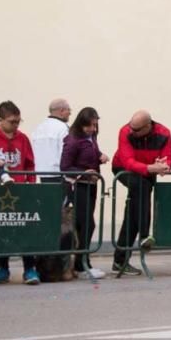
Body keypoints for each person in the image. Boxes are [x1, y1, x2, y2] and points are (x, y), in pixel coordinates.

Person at [111, 110, 171, 276]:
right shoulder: (125, 131)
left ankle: (120, 260)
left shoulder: (164, 133)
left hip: (147, 173)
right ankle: (145, 234)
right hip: (123, 169)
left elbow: (168, 159)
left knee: (132, 213)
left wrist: (163, 165)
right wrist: (151, 168)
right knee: (142, 188)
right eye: (131, 127)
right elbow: (128, 162)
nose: (132, 131)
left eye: (136, 129)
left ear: (148, 126)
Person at [0, 101, 40, 285]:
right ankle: (3, 268)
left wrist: (30, 183)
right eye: (12, 121)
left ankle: (29, 269)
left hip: (21, 190)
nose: (16, 125)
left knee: (26, 230)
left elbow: (30, 163)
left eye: (18, 121)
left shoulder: (23, 138)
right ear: (0, 120)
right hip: (0, 192)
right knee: (2, 229)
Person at [61, 107, 110, 278]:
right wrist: (84, 173)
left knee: (84, 226)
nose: (93, 129)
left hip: (91, 185)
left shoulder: (91, 137)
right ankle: (81, 265)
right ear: (81, 124)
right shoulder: (73, 140)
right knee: (88, 224)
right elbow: (65, 167)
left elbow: (88, 157)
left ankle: (84, 262)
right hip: (78, 186)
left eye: (95, 125)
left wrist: (100, 157)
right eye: (89, 126)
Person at [31, 98, 71, 183]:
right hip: (58, 174)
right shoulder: (63, 128)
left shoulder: (39, 128)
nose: (70, 113)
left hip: (40, 174)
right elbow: (65, 153)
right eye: (68, 110)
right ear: (62, 110)